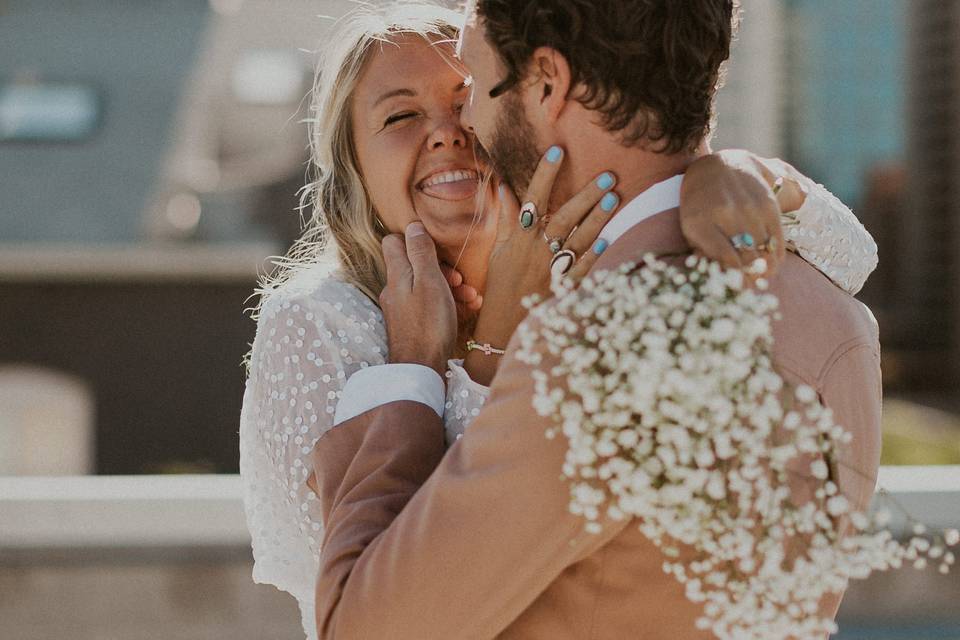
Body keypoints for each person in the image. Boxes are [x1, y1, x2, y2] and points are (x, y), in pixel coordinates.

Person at [238, 3, 879, 639]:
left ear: (547, 84)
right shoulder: (836, 316)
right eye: (402, 115)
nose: (458, 129)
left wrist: (447, 360)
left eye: (472, 89)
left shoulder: (589, 345)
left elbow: (378, 618)